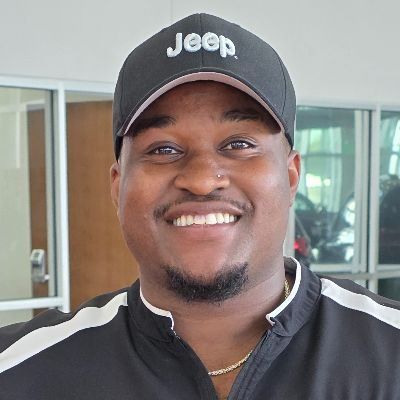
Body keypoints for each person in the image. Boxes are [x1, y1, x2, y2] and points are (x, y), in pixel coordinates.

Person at [1, 13, 400, 400]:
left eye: (239, 144)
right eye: (164, 149)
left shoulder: (389, 353)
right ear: (118, 185)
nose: (203, 179)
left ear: (291, 175)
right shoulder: (20, 372)